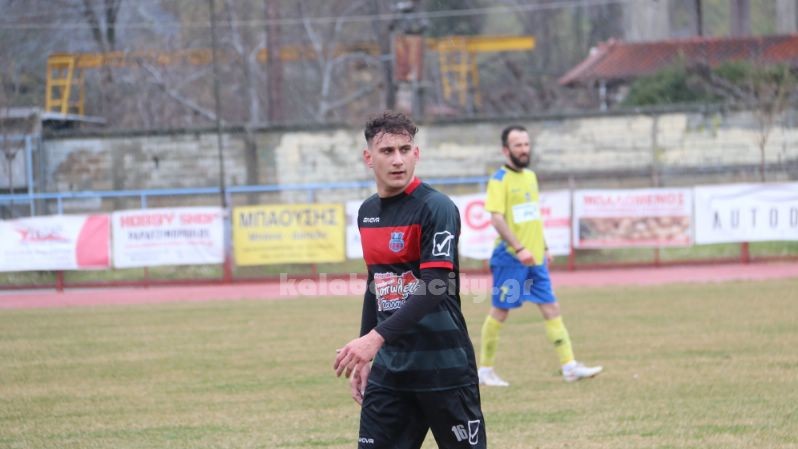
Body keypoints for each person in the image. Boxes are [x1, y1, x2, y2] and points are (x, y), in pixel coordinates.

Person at [334, 111, 486, 449]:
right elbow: (376, 284)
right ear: (368, 158)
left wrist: (374, 339)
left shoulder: (436, 207)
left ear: (416, 153)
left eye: (405, 150)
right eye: (387, 151)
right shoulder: (367, 213)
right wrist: (366, 352)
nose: (398, 160)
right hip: (391, 370)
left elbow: (435, 284)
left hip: (444, 366)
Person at [478, 125, 603, 387]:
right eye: (518, 145)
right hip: (510, 257)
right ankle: (485, 370)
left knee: (551, 308)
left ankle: (569, 367)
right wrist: (519, 248)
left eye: (526, 144)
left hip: (534, 259)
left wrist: (543, 247)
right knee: (501, 311)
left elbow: (532, 215)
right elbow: (496, 219)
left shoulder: (530, 177)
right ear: (506, 150)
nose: (524, 149)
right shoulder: (499, 179)